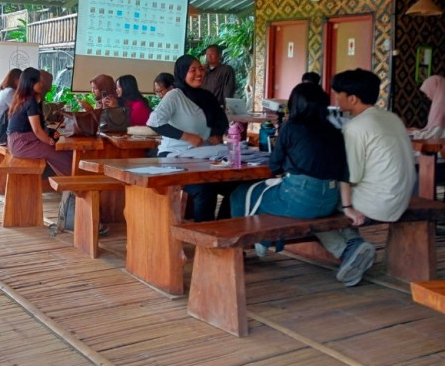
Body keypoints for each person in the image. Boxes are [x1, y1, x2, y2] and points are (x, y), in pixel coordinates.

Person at [319, 69, 415, 287]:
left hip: (376, 203)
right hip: (401, 199)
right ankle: (354, 246)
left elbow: (350, 175)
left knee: (314, 202)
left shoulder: (355, 127)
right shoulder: (392, 118)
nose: (335, 99)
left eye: (338, 94)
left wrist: (348, 205)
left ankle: (347, 249)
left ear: (352, 99)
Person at [230, 83, 348, 256]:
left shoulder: (291, 127)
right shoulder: (335, 130)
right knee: (264, 196)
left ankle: (242, 250)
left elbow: (275, 166)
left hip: (299, 197)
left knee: (241, 194)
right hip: (330, 200)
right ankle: (263, 241)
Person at [146, 55, 231, 222]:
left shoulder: (207, 96)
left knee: (237, 187)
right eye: (193, 70)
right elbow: (154, 122)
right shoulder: (174, 96)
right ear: (182, 72)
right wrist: (186, 136)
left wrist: (217, 134)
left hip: (203, 157)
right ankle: (204, 240)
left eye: (201, 69)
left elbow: (220, 120)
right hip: (174, 156)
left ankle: (223, 235)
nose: (199, 73)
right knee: (205, 188)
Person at [7, 68, 72, 176]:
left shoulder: (22, 97)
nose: (42, 84)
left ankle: (70, 183)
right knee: (58, 152)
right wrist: (49, 140)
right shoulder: (30, 101)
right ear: (31, 82)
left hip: (19, 141)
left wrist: (49, 134)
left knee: (64, 150)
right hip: (22, 143)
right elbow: (37, 130)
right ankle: (76, 184)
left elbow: (37, 128)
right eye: (40, 81)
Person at [410, 74, 445, 140]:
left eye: (428, 91)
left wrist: (411, 135)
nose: (427, 95)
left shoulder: (440, 107)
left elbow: (434, 135)